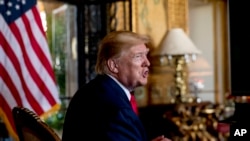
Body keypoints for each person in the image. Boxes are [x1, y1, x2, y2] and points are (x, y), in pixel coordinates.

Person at [62, 31, 171, 141]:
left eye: (146, 55)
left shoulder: (93, 91)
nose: (147, 63)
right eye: (138, 56)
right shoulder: (117, 110)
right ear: (114, 65)